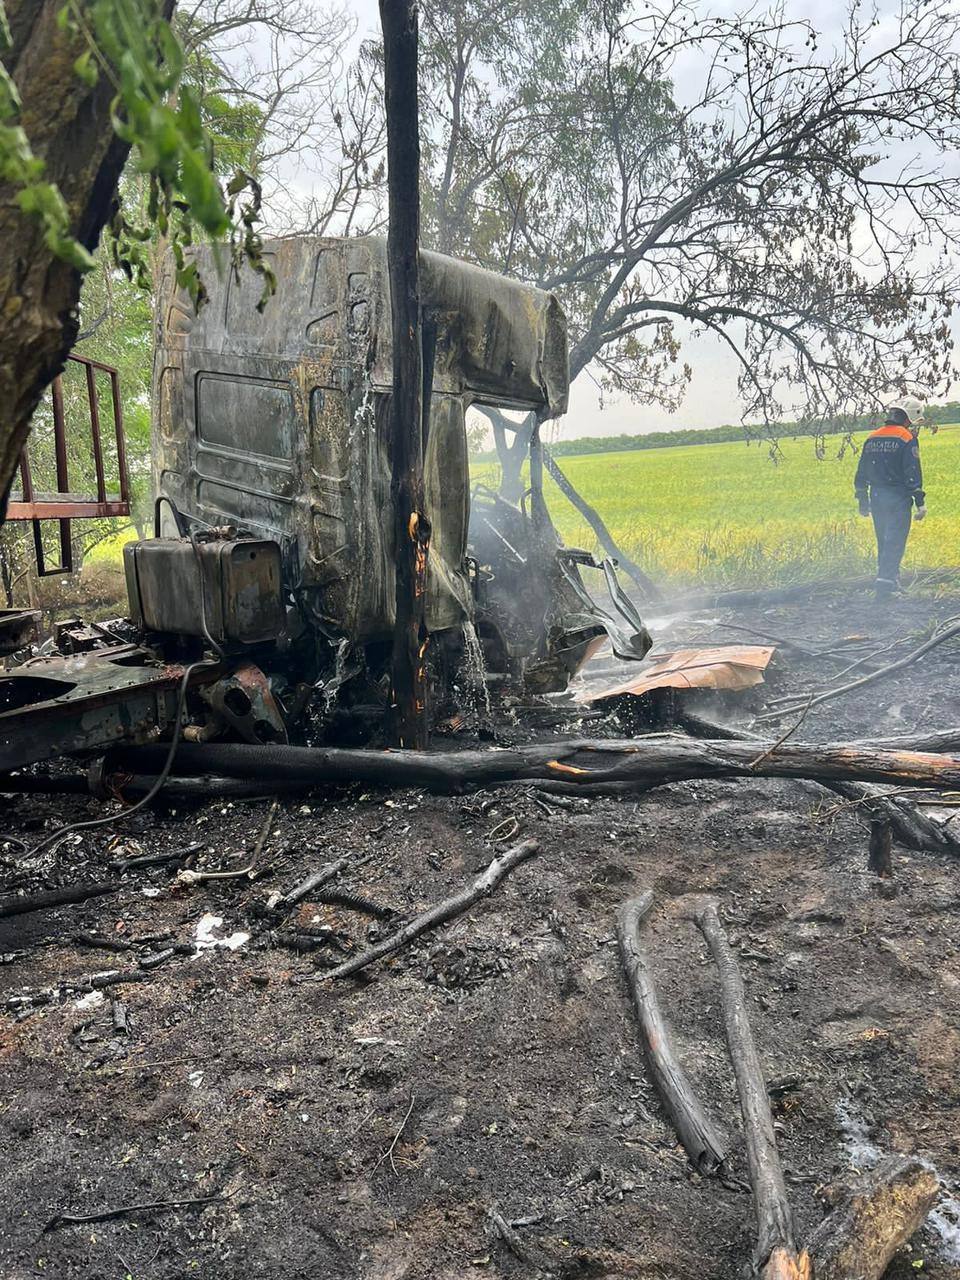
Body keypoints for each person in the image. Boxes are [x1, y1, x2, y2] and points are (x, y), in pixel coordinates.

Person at [854, 395, 927, 600]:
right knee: (895, 541)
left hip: (876, 496)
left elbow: (862, 471)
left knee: (883, 540)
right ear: (910, 417)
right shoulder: (906, 438)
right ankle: (886, 587)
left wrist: (862, 498)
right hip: (898, 498)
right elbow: (912, 472)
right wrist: (920, 502)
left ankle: (888, 580)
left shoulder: (872, 437)